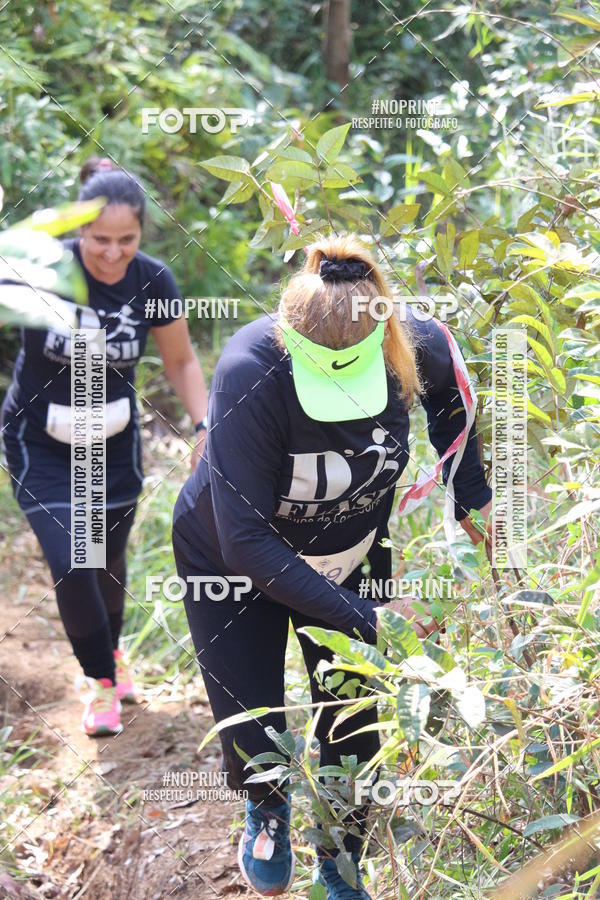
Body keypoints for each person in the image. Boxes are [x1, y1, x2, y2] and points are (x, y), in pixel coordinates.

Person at [171, 235, 492, 898]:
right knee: (249, 709)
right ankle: (267, 810)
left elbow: (459, 437)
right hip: (233, 558)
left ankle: (341, 857)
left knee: (353, 717)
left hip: (350, 547)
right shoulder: (248, 368)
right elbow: (246, 544)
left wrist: (488, 534)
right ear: (289, 340)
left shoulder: (419, 342)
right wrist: (373, 620)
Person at [1, 157, 209, 737]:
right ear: (78, 231)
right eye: (99, 240)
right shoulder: (41, 271)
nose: (113, 253)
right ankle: (100, 682)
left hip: (111, 443)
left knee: (106, 563)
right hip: (39, 441)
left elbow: (181, 360)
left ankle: (112, 656)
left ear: (141, 233)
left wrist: (205, 426)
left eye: (126, 240)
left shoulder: (153, 280)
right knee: (73, 562)